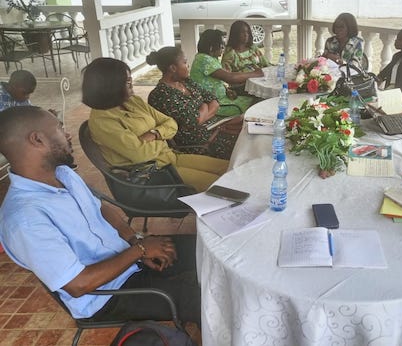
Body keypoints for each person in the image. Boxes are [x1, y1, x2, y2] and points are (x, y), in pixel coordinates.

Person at [0, 106, 200, 326]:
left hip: (128, 257)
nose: (67, 135)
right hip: (108, 295)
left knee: (204, 249)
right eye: (59, 128)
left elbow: (101, 209)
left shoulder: (63, 175)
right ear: (37, 140)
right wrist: (140, 250)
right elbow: (78, 285)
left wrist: (135, 241)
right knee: (205, 298)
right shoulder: (24, 219)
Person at [82, 57, 228, 192]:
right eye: (127, 81)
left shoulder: (133, 102)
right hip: (154, 173)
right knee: (223, 185)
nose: (132, 84)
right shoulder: (103, 121)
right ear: (111, 86)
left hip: (170, 158)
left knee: (229, 169)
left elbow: (171, 123)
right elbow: (140, 154)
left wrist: (154, 134)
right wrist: (162, 140)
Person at [147, 46, 241, 160]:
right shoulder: (161, 95)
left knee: (245, 124)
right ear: (173, 68)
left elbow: (214, 100)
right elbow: (195, 120)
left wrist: (202, 113)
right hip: (200, 143)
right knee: (243, 143)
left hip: (215, 127)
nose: (188, 66)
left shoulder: (186, 82)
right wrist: (204, 105)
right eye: (185, 62)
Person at [190, 29, 262, 117]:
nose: (223, 48)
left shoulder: (210, 58)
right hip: (215, 105)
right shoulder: (204, 59)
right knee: (256, 104)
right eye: (221, 45)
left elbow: (214, 81)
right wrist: (255, 74)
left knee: (256, 98)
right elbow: (230, 78)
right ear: (211, 47)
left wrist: (226, 90)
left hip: (219, 99)